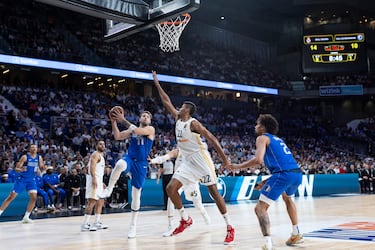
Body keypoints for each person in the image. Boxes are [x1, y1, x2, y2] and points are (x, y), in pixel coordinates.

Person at [152, 70, 235, 244]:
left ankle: (229, 226)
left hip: (201, 159)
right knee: (171, 189)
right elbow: (166, 101)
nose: (179, 107)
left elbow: (212, 138)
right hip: (188, 161)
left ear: (188, 111)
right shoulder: (177, 118)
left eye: (182, 106)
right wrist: (157, 83)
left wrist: (225, 159)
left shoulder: (193, 123)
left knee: (213, 192)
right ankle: (185, 219)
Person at [229, 114, 303, 250]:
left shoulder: (262, 138)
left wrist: (237, 166)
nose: (255, 126)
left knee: (260, 208)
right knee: (288, 199)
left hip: (283, 175)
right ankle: (296, 232)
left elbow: (258, 160)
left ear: (263, 127)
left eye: (257, 124)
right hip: (297, 174)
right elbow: (285, 165)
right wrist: (267, 181)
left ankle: (268, 243)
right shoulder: (278, 139)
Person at [101, 108, 155, 238]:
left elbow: (136, 130)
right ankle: (109, 189)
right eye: (143, 115)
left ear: (150, 120)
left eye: (148, 116)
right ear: (139, 119)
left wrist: (122, 119)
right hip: (130, 158)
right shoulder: (132, 130)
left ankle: (133, 225)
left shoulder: (150, 130)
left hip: (141, 163)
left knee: (136, 196)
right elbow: (117, 136)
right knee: (119, 164)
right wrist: (113, 122)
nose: (145, 117)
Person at [150, 148, 211, 237]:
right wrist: (153, 160)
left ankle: (204, 215)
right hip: (179, 180)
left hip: (191, 182)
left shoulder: (194, 152)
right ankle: (171, 225)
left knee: (198, 205)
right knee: (171, 198)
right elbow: (166, 157)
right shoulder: (178, 151)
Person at [0, 144, 45, 223]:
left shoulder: (39, 157)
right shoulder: (25, 157)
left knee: (34, 197)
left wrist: (44, 168)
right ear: (29, 149)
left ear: (37, 149)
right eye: (32, 147)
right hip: (22, 179)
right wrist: (21, 169)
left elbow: (41, 166)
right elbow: (16, 168)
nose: (34, 149)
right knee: (11, 197)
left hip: (31, 180)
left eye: (35, 147)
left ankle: (26, 217)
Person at [81, 140, 108, 231]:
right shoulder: (95, 154)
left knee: (100, 201)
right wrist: (94, 178)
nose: (102, 145)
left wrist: (101, 182)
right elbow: (91, 167)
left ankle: (97, 222)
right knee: (92, 201)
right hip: (93, 180)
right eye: (100, 144)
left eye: (103, 144)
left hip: (98, 180)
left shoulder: (102, 156)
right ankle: (85, 224)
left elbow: (98, 171)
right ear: (96, 145)